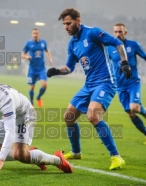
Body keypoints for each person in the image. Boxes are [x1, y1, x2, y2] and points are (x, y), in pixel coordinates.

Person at [47, 8, 130, 170]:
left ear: (78, 21)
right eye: (64, 24)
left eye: (69, 23)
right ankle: (76, 152)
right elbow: (70, 67)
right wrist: (57, 71)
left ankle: (116, 157)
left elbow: (117, 42)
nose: (66, 27)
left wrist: (125, 62)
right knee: (69, 116)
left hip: (105, 81)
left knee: (93, 115)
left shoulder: (93, 33)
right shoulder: (72, 44)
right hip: (89, 84)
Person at [107, 23, 146, 144]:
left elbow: (145, 55)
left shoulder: (133, 45)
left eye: (120, 32)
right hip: (119, 86)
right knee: (130, 113)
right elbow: (106, 63)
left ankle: (145, 113)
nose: (117, 34)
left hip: (133, 82)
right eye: (115, 32)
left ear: (125, 32)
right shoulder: (109, 48)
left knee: (134, 108)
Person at [22, 28, 53, 107]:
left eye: (37, 33)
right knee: (32, 87)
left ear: (39, 34)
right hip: (32, 69)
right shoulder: (28, 43)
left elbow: (47, 50)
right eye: (34, 33)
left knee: (44, 85)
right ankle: (31, 103)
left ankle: (38, 97)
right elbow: (22, 54)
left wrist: (50, 58)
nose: (35, 35)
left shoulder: (43, 42)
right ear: (32, 35)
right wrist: (26, 57)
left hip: (41, 69)